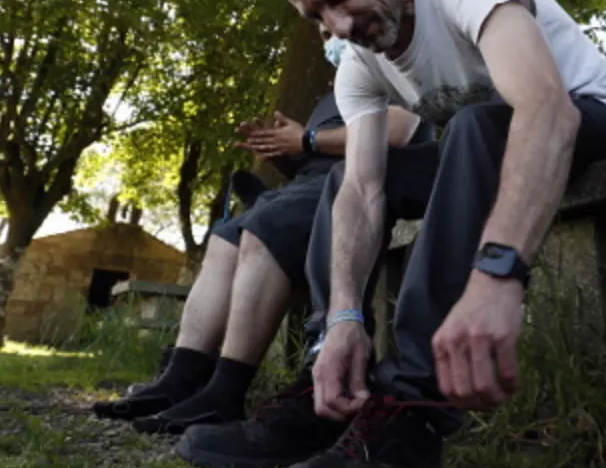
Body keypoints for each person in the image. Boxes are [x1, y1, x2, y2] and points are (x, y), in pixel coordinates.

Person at [175, 0, 606, 468]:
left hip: (587, 123)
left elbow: (547, 111)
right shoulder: (358, 68)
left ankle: (412, 411)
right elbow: (363, 191)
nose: (337, 25)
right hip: (483, 151)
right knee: (346, 178)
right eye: (318, 15)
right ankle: (329, 386)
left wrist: (497, 275)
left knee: (472, 125)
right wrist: (340, 320)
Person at [92, 30, 430, 435]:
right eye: (318, 30)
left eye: (331, 29)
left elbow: (401, 130)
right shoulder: (337, 87)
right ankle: (180, 379)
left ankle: (225, 392)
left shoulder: (387, 66)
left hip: (344, 189)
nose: (325, 34)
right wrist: (286, 150)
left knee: (262, 230)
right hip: (303, 186)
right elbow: (316, 152)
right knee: (225, 236)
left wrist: (305, 138)